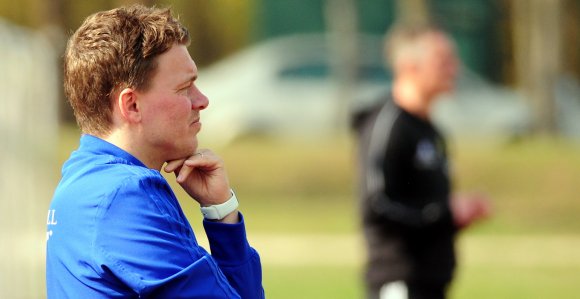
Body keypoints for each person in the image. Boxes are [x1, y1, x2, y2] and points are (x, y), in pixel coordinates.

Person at [46, 5, 264, 299]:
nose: (202, 101)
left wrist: (221, 211)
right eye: (184, 88)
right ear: (132, 105)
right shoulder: (124, 195)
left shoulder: (84, 178)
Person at [352, 24, 490, 299]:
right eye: (443, 61)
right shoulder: (389, 125)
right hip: (399, 282)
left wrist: (454, 215)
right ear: (409, 66)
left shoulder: (432, 131)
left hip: (431, 284)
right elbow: (377, 205)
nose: (454, 69)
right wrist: (444, 213)